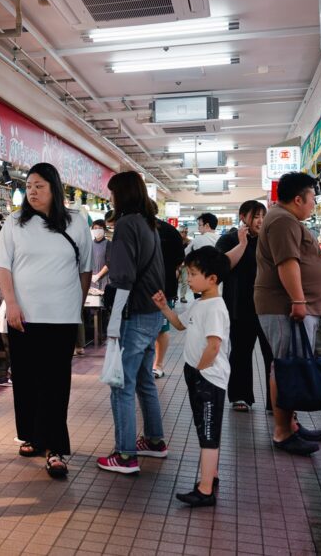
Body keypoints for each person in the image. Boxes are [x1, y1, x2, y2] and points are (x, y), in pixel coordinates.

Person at [0, 162, 92, 479]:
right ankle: (33, 436)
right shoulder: (15, 222)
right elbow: (3, 266)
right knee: (26, 378)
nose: (32, 191)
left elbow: (85, 270)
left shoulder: (75, 222)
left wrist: (76, 304)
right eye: (29, 186)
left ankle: (55, 448)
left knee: (55, 381)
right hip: (23, 316)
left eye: (39, 186)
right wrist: (11, 303)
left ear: (54, 189)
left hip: (61, 317)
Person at [254, 172, 321, 457]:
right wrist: (299, 300)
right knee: (286, 366)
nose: (314, 204)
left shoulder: (284, 219)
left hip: (291, 306)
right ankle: (282, 432)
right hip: (284, 307)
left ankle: (291, 424)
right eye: (312, 198)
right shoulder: (283, 221)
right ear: (298, 199)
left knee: (290, 365)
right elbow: (287, 263)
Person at [96, 172, 167, 474]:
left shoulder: (126, 224)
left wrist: (113, 324)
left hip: (133, 313)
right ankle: (154, 440)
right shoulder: (148, 223)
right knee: (143, 380)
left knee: (121, 384)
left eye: (112, 193)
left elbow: (123, 278)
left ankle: (125, 455)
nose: (110, 198)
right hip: (152, 313)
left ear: (122, 194)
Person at [152, 246, 232, 507]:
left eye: (194, 274)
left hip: (208, 377)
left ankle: (205, 490)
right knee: (204, 427)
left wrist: (200, 370)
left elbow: (214, 346)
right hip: (198, 373)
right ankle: (212, 475)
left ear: (212, 279)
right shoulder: (200, 302)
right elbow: (179, 324)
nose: (188, 279)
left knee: (208, 431)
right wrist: (164, 307)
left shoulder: (215, 307)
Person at [217, 200, 273, 413]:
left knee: (272, 355)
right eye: (256, 216)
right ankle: (240, 396)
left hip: (268, 306)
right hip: (239, 306)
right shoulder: (229, 239)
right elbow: (222, 267)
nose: (260, 221)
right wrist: (241, 244)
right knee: (240, 352)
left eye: (263, 216)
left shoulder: (269, 239)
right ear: (243, 217)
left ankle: (275, 401)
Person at [153, 215, 186, 378]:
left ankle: (158, 364)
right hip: (163, 286)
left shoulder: (168, 231)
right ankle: (154, 364)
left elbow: (180, 260)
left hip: (164, 289)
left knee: (162, 328)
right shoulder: (170, 231)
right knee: (159, 329)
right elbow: (179, 260)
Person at [77, 219, 110, 355]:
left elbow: (109, 262)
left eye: (99, 228)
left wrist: (99, 275)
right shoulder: (89, 244)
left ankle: (104, 335)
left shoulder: (109, 244)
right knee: (89, 311)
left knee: (104, 310)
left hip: (104, 280)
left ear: (104, 229)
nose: (97, 230)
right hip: (90, 281)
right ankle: (91, 336)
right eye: (94, 228)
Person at [178, 226, 191, 304]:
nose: (184, 234)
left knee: (185, 281)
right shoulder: (176, 241)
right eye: (182, 232)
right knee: (174, 281)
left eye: (186, 232)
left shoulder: (189, 242)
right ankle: (173, 296)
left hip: (185, 264)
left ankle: (182, 296)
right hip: (176, 265)